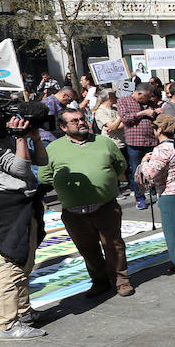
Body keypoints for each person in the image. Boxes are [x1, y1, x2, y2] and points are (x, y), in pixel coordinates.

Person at [0, 114, 49, 340]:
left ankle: (24, 313)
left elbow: (41, 161)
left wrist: (35, 138)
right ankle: (7, 325)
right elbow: (22, 169)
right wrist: (20, 138)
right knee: (12, 263)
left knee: (25, 261)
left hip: (26, 201)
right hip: (9, 206)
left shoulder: (6, 140)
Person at [40, 108, 134, 298]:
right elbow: (44, 175)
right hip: (73, 211)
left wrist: (105, 180)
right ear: (63, 127)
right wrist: (67, 190)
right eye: (74, 121)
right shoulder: (53, 148)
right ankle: (99, 281)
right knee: (87, 248)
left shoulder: (103, 142)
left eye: (82, 119)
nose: (81, 122)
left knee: (113, 245)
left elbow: (120, 164)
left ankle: (121, 280)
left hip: (105, 206)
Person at [137, 114, 175, 274]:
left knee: (174, 232)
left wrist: (143, 162)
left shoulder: (162, 148)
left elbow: (150, 174)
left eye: (154, 128)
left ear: (160, 129)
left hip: (169, 192)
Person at [116, 85, 161, 210]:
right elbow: (125, 119)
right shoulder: (123, 101)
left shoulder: (151, 103)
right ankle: (140, 198)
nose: (149, 99)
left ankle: (155, 193)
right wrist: (143, 113)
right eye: (147, 96)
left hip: (152, 141)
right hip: (135, 143)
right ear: (140, 94)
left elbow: (159, 117)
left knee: (155, 169)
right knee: (137, 172)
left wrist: (158, 112)